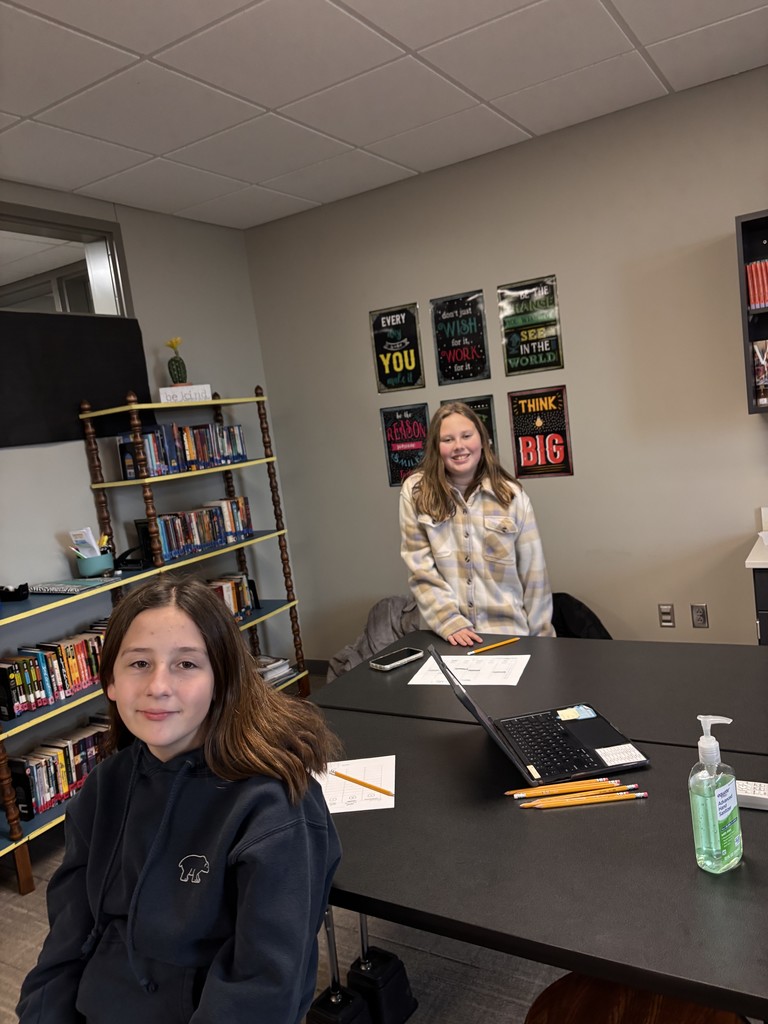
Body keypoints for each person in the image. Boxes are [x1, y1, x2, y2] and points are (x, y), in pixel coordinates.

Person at [18, 576, 342, 1024]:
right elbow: (67, 941)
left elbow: (263, 988)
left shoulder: (274, 805)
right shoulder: (104, 786)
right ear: (109, 681)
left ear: (221, 679)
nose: (158, 686)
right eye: (138, 664)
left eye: (186, 664)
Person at [400, 402, 555, 646]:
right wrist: (449, 620)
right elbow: (420, 568)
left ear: (482, 440)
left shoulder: (512, 496)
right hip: (445, 636)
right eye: (447, 439)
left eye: (466, 436)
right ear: (435, 448)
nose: (459, 446)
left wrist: (544, 643)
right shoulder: (416, 492)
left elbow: (534, 577)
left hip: (508, 635)